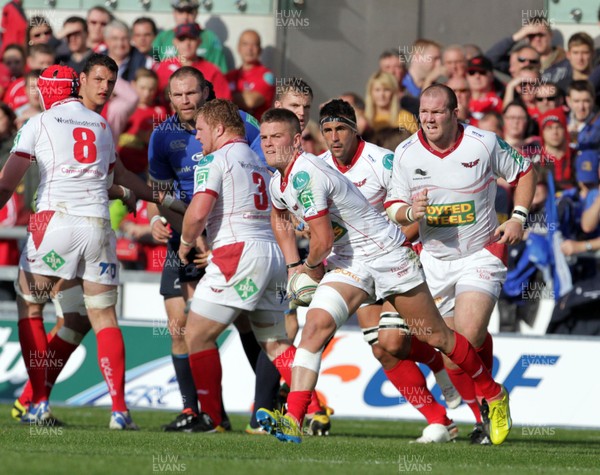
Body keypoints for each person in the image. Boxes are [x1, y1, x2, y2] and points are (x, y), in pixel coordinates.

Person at [256, 107, 512, 445]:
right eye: (264, 138)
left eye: (277, 137)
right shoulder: (279, 181)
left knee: (438, 336)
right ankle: (293, 419)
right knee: (319, 330)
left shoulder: (317, 172)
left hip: (389, 254)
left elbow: (323, 240)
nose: (269, 144)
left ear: (297, 140)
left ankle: (492, 394)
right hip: (351, 263)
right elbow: (279, 216)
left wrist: (308, 269)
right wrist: (293, 264)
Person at [385, 84, 536, 444]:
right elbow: (393, 206)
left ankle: (491, 397)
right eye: (424, 112)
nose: (429, 119)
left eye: (437, 112)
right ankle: (484, 404)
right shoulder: (406, 152)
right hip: (433, 260)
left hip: (480, 253)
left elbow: (525, 172)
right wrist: (410, 212)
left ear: (455, 113)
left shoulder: (483, 143)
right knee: (444, 352)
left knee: (466, 335)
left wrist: (517, 217)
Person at [176, 99, 327, 434]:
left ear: (217, 128)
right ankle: (313, 410)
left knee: (196, 335)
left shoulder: (214, 160)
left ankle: (213, 419)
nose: (197, 138)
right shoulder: (260, 164)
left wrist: (186, 244)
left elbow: (199, 211)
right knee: (275, 343)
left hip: (237, 253)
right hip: (271, 254)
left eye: (200, 130)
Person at [0, 65, 137, 429]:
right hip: (97, 224)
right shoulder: (100, 123)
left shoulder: (40, 122)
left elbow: (6, 183)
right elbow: (112, 179)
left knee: (31, 308)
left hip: (54, 221)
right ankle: (120, 411)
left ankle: (40, 404)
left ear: (47, 91)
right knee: (102, 316)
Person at [318, 99, 461, 442]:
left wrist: (394, 246)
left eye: (340, 129)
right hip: (352, 266)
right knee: (382, 348)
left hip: (392, 261)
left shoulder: (384, 161)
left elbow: (415, 212)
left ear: (355, 129)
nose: (334, 137)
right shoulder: (317, 168)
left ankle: (448, 373)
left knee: (394, 340)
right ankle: (440, 421)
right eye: (327, 130)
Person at [148, 67, 264, 432]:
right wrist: (156, 218)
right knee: (181, 325)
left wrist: (203, 236)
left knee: (245, 320)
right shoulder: (162, 136)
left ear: (207, 92)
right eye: (178, 95)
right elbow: (157, 191)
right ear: (170, 99)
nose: (186, 101)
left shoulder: (242, 124)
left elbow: (259, 173)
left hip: (229, 236)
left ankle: (267, 405)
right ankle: (195, 409)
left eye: (192, 93)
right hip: (184, 234)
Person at [154, 22, 230, 104]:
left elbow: (224, 105)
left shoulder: (212, 71)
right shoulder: (163, 67)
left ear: (199, 41)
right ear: (175, 42)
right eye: (182, 39)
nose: (187, 44)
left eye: (191, 39)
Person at [152, 0, 226, 72]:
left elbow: (219, 71)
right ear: (174, 13)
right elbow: (154, 70)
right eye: (180, 12)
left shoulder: (210, 38)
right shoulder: (161, 38)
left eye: (190, 12)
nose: (185, 17)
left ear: (196, 13)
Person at [226, 29, 275, 120]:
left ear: (260, 50)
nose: (249, 49)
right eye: (245, 44)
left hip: (257, 130)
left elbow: (250, 102)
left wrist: (226, 96)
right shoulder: (230, 76)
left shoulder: (267, 76)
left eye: (254, 45)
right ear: (238, 48)